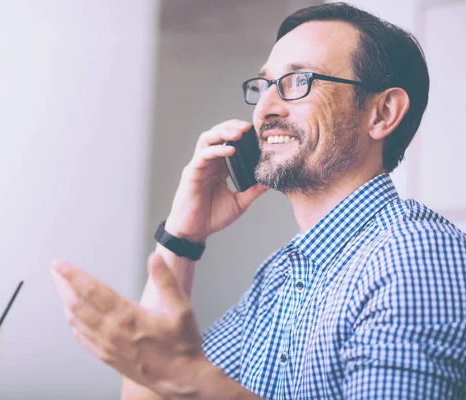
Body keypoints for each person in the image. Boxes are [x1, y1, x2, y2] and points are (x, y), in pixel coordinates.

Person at [50, 2, 466, 399]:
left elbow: (180, 380)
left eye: (299, 81)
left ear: (382, 113)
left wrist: (191, 376)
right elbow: (152, 391)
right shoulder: (280, 277)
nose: (265, 108)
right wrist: (183, 234)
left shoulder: (418, 255)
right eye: (264, 85)